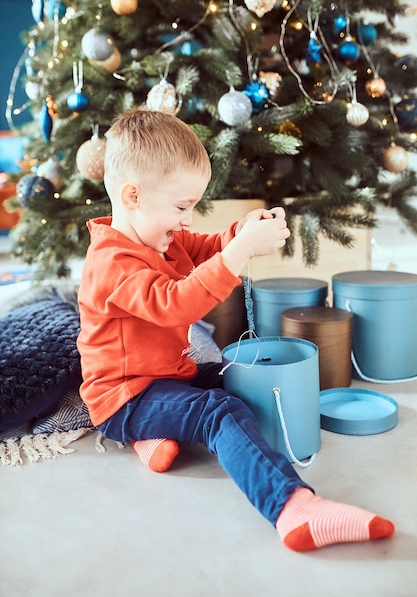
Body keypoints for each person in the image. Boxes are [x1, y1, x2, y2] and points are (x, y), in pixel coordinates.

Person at [77, 107, 394, 552]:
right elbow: (174, 304)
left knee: (235, 372)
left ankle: (153, 436)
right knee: (218, 411)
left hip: (167, 375)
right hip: (124, 398)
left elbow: (207, 246)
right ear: (132, 196)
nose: (187, 220)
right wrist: (237, 256)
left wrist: (241, 233)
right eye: (182, 207)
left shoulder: (161, 235)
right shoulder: (112, 263)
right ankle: (292, 509)